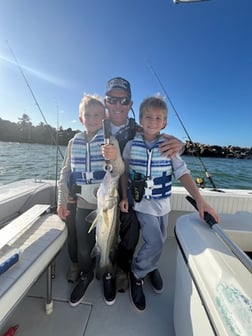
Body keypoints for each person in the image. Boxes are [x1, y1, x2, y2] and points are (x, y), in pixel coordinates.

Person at [119, 95, 220, 311]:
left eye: (158, 118)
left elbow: (182, 173)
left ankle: (151, 266)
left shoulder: (169, 147)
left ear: (164, 122)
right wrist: (125, 197)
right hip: (142, 205)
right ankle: (137, 274)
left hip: (163, 206)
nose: (152, 122)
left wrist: (201, 201)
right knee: (154, 242)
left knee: (161, 240)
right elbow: (125, 172)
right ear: (140, 118)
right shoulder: (130, 146)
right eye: (148, 117)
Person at [103, 77, 185, 294]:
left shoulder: (138, 128)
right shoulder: (96, 125)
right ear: (106, 102)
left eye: (124, 100)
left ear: (130, 104)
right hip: (101, 190)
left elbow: (162, 138)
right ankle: (96, 265)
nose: (118, 105)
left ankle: (127, 268)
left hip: (129, 192)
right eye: (113, 99)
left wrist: (182, 145)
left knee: (131, 224)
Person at [57, 94, 124, 307]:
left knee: (109, 241)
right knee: (84, 248)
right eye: (88, 115)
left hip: (107, 204)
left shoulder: (110, 141)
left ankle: (107, 273)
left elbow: (120, 170)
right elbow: (65, 172)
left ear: (104, 118)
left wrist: (113, 156)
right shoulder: (72, 142)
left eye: (97, 115)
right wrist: (61, 200)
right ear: (80, 118)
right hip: (83, 203)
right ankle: (86, 273)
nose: (93, 119)